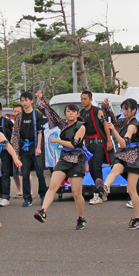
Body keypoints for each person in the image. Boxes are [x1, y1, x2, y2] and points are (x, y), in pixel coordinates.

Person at [34, 91, 88, 229]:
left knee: (76, 193)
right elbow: (51, 112)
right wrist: (42, 98)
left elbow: (74, 144)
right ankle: (43, 211)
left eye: (73, 111)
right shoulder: (63, 124)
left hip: (77, 158)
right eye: (68, 111)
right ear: (65, 114)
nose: (70, 113)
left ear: (77, 114)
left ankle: (81, 218)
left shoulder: (81, 126)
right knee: (53, 186)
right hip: (64, 159)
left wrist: (57, 140)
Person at [96, 98, 139, 229]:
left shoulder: (133, 125)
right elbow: (113, 119)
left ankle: (138, 218)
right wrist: (106, 106)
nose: (124, 111)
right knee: (114, 170)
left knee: (132, 191)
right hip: (123, 154)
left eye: (127, 109)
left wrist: (113, 130)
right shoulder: (125, 121)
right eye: (123, 108)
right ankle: (105, 188)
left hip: (134, 156)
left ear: (134, 110)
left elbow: (124, 142)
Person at [11, 92, 47, 207]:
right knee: (24, 173)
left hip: (35, 147)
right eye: (22, 100)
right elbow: (15, 134)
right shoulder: (19, 116)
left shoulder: (37, 115)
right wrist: (15, 152)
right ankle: (27, 198)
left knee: (39, 172)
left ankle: (43, 195)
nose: (24, 102)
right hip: (24, 149)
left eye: (26, 100)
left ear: (32, 101)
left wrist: (38, 147)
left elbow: (40, 132)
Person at [79, 91, 113, 205]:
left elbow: (105, 125)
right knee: (92, 169)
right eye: (82, 99)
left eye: (85, 99)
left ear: (91, 99)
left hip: (99, 143)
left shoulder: (97, 111)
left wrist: (108, 140)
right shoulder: (81, 113)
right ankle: (102, 192)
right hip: (89, 144)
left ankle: (97, 194)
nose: (83, 101)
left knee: (97, 167)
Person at [0, 101, 15, 207]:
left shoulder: (6, 121)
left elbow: (14, 133)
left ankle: (5, 196)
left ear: (1, 110)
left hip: (5, 151)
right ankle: (0, 195)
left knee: (5, 173)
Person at [11, 104, 33, 198]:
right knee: (15, 172)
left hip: (24, 149)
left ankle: (30, 191)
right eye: (14, 111)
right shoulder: (11, 122)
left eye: (18, 111)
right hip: (13, 149)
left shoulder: (25, 121)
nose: (16, 113)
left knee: (25, 171)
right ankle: (20, 190)